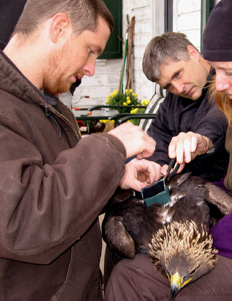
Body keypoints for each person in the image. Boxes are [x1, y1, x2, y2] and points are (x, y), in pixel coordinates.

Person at [104, 0, 232, 300]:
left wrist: (186, 243)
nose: (218, 84)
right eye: (217, 70)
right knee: (129, 263)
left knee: (143, 280)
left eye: (230, 72)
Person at [0, 0, 162, 300]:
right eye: (90, 50)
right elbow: (21, 221)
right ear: (59, 28)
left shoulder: (52, 106)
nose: (90, 69)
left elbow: (63, 196)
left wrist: (116, 177)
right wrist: (110, 148)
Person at [142, 32, 228, 181]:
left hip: (221, 181)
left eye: (177, 74)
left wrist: (201, 139)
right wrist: (158, 166)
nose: (179, 88)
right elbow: (158, 137)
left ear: (193, 53)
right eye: (168, 85)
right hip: (183, 182)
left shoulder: (226, 84)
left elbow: (218, 119)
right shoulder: (172, 100)